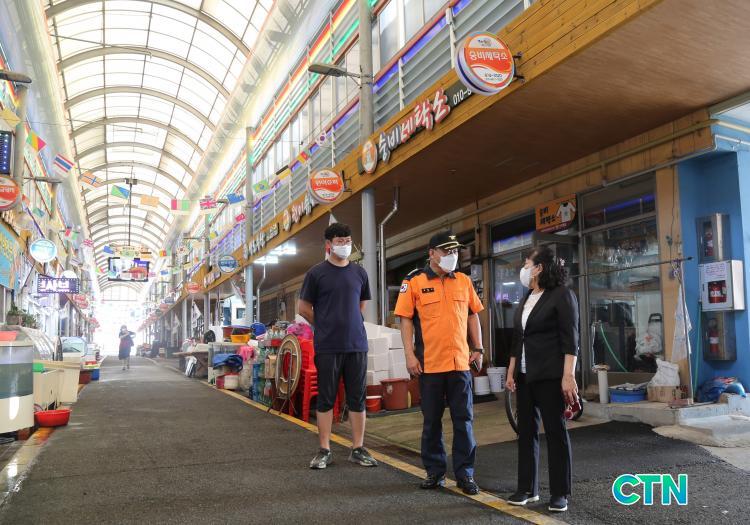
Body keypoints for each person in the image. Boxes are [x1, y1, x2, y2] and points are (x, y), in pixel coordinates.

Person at [394, 231, 484, 495]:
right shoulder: (414, 281)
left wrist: (478, 347)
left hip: (459, 364)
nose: (452, 256)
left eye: (455, 251)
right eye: (447, 251)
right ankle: (435, 472)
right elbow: (405, 320)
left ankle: (465, 474)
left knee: (463, 421)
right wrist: (409, 355)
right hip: (429, 365)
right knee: (432, 421)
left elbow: (472, 315)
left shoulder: (463, 281)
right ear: (432, 253)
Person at [505, 246, 579, 513]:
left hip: (550, 375)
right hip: (525, 376)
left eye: (527, 264)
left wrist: (568, 375)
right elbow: (518, 338)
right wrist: (511, 370)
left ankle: (560, 493)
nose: (523, 269)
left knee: (555, 432)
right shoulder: (528, 297)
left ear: (539, 268)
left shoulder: (562, 295)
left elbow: (571, 339)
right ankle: (527, 488)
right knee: (525, 432)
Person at [298, 222, 378, 469]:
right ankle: (324, 449)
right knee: (326, 397)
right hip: (328, 345)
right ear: (328, 245)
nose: (345, 245)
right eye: (340, 241)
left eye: (348, 241)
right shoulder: (316, 273)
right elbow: (303, 308)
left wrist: (347, 323)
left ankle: (358, 448)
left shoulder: (360, 273)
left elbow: (361, 305)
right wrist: (323, 324)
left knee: (357, 398)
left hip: (356, 344)